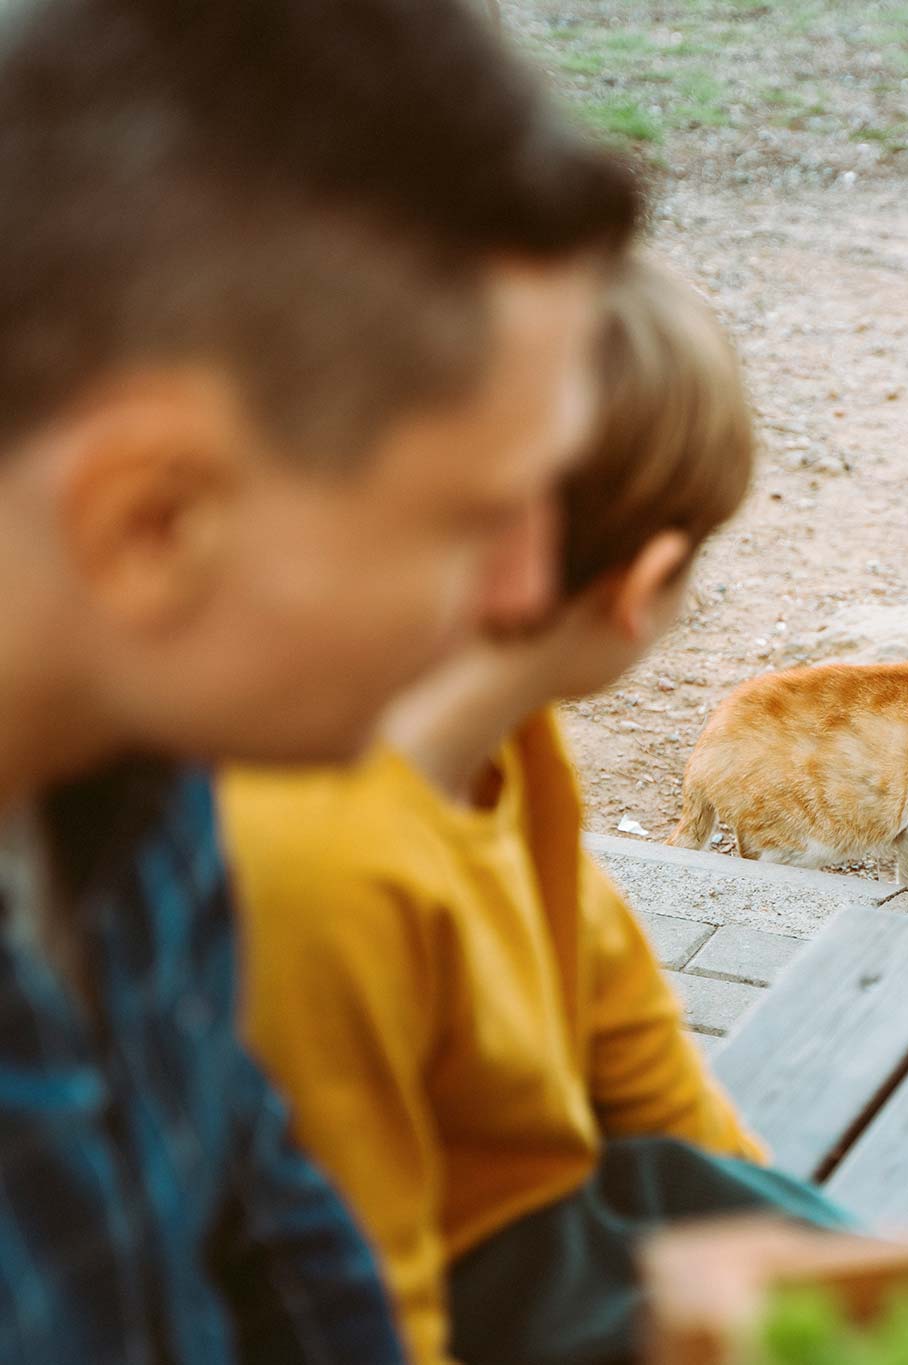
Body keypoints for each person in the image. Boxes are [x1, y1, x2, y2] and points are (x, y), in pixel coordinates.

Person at [0, 0, 642, 1359]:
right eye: (476, 517)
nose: (531, 592)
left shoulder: (150, 768)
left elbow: (262, 1212)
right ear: (154, 522)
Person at [222, 258, 848, 1365]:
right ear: (642, 581)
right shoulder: (317, 862)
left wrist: (778, 1248)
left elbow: (621, 1020)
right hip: (464, 1291)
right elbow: (353, 1291)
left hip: (567, 1210)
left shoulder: (503, 726)